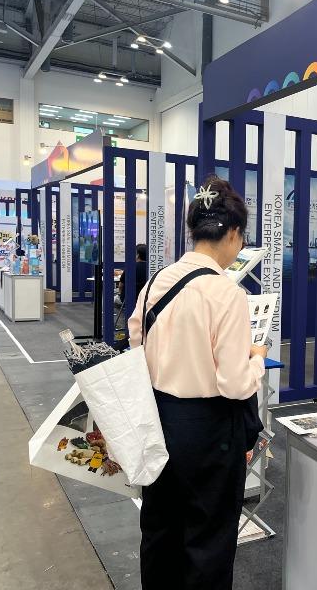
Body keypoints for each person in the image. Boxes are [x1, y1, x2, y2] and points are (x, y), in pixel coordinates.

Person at [128, 176, 267, 589]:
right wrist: (257, 360)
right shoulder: (226, 293)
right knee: (208, 538)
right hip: (209, 431)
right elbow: (235, 383)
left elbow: (136, 339)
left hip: (158, 419)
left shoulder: (157, 280)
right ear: (234, 232)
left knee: (160, 528)